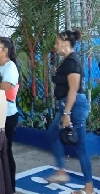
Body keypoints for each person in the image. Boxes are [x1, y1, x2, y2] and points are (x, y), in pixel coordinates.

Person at [46, 30, 93, 194]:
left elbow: (73, 90)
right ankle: (61, 171)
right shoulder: (66, 62)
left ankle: (88, 187)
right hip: (66, 106)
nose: (55, 46)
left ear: (65, 44)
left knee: (81, 147)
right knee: (52, 134)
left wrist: (67, 114)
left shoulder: (72, 62)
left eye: (57, 43)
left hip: (74, 106)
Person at [0, 37, 20, 193]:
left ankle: (10, 188)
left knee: (6, 152)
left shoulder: (10, 68)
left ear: (5, 50)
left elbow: (0, 90)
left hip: (7, 116)